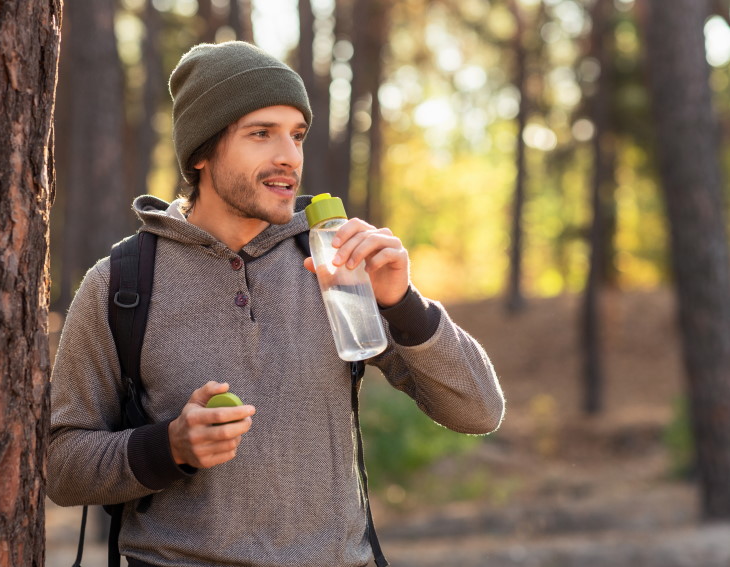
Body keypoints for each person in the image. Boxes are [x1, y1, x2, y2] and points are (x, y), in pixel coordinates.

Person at [47, 41, 504, 567]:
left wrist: (403, 302)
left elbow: (478, 410)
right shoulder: (121, 284)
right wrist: (169, 447)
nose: (289, 155)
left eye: (297, 134)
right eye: (261, 134)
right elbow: (62, 465)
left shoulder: (335, 265)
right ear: (200, 152)